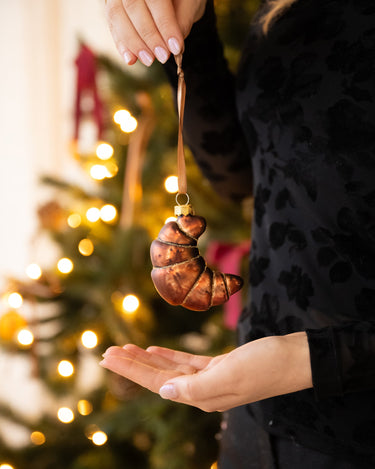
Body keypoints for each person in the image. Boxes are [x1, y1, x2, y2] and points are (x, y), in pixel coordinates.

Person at [100, 0, 375, 467]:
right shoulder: (284, 8)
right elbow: (239, 175)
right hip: (255, 419)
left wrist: (303, 360)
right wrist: (186, 31)